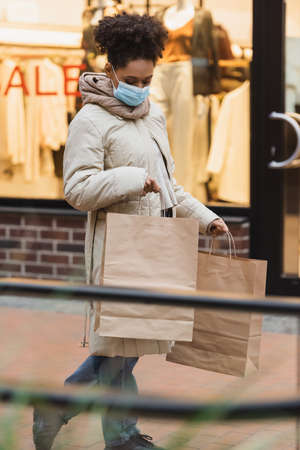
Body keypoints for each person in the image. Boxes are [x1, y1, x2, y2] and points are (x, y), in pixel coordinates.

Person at [32, 13, 228, 450]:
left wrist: (205, 216)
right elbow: (76, 189)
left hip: (156, 247)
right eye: (132, 78)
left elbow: (171, 185)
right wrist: (132, 178)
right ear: (110, 71)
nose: (139, 87)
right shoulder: (90, 121)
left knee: (125, 348)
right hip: (120, 250)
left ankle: (66, 408)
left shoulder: (152, 116)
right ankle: (120, 436)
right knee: (122, 349)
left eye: (147, 79)